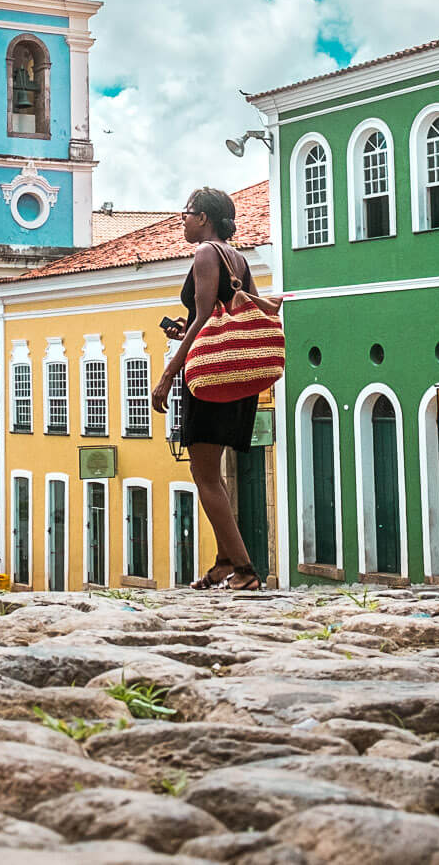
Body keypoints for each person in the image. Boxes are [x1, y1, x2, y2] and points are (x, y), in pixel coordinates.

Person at [153, 187, 283, 591]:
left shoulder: (206, 253)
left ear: (204, 218)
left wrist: (169, 373)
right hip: (236, 376)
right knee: (210, 473)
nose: (183, 221)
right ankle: (223, 562)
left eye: (187, 214)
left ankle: (245, 570)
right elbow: (245, 308)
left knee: (205, 473)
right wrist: (187, 324)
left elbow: (207, 313)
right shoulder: (238, 258)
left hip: (209, 378)